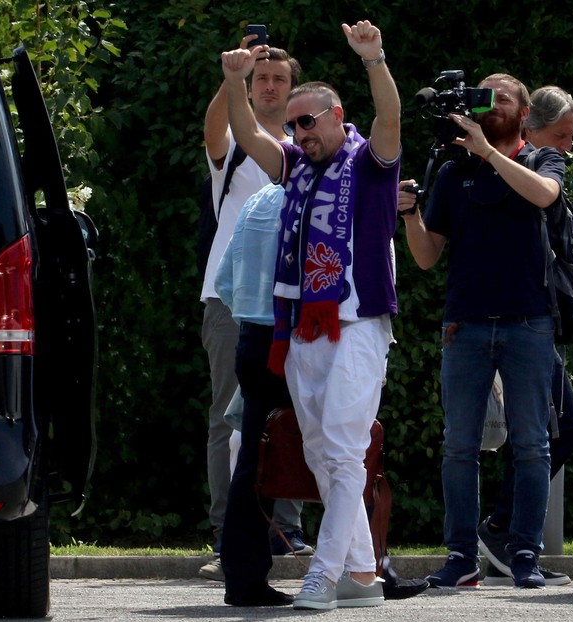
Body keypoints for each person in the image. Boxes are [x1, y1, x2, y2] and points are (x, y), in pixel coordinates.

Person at [221, 19, 401, 610]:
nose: (298, 133)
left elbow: (390, 120)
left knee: (345, 448)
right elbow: (248, 135)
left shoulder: (370, 165)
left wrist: (374, 60)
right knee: (322, 450)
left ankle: (322, 574)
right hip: (300, 326)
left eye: (307, 121)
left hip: (357, 324)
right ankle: (363, 575)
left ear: (335, 115)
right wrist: (235, 82)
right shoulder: (294, 166)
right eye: (293, 124)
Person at [401, 73, 565, 589]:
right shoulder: (452, 171)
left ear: (523, 114)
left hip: (529, 321)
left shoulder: (541, 159)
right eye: (484, 96)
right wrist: (409, 216)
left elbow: (544, 197)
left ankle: (524, 556)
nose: (491, 105)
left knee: (532, 445)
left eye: (504, 99)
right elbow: (427, 258)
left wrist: (490, 155)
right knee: (459, 445)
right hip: (465, 323)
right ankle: (461, 555)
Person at [198, 38, 311, 582]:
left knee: (296, 414)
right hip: (230, 300)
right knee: (229, 416)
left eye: (278, 79)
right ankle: (228, 535)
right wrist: (232, 77)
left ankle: (287, 532)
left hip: (291, 298)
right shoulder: (235, 149)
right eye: (260, 79)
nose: (268, 86)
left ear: (293, 90)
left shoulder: (310, 148)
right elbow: (214, 133)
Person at [477, 85, 573, 588]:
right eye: (562, 136)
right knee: (543, 434)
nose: (566, 148)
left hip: (540, 317)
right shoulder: (523, 162)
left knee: (554, 431)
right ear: (531, 127)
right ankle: (501, 530)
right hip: (509, 318)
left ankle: (505, 532)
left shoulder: (543, 163)